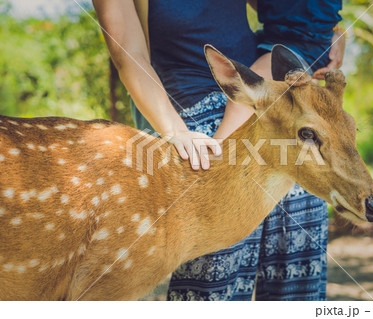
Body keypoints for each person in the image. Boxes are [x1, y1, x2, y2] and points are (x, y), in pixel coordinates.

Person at [93, 0, 345, 301]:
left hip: (256, 95)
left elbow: (289, 16)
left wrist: (325, 33)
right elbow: (128, 56)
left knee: (300, 199)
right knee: (224, 206)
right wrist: (175, 131)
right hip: (186, 107)